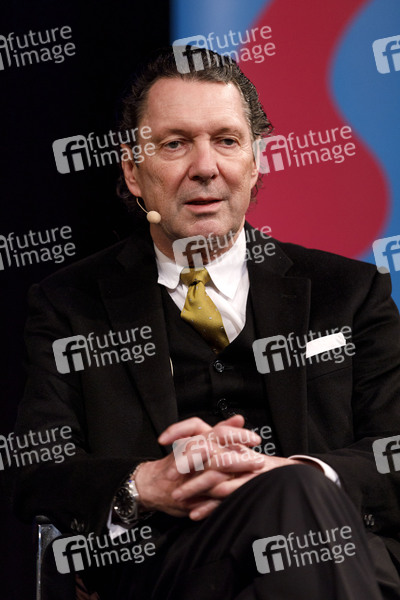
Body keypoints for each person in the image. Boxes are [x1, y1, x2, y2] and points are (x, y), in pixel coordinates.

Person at [13, 47, 400, 599]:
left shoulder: (350, 291)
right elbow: (37, 469)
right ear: (133, 171)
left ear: (255, 161)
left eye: (226, 140)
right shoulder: (69, 304)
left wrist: (301, 474)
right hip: (172, 567)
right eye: (175, 144)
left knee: (297, 497)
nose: (204, 166)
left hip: (338, 549)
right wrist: (146, 483)